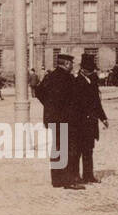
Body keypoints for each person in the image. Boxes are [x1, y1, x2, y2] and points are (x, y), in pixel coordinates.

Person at [36, 53, 83, 189]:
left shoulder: (50, 76)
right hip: (66, 119)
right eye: (71, 64)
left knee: (57, 148)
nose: (72, 66)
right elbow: (74, 100)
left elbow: (38, 91)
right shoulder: (68, 79)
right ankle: (68, 181)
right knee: (68, 149)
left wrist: (49, 106)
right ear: (67, 64)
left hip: (52, 118)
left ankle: (56, 180)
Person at [73, 54, 108, 183]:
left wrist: (103, 118)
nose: (93, 72)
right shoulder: (77, 82)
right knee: (78, 151)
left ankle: (88, 175)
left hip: (91, 122)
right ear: (83, 69)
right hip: (80, 123)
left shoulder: (92, 81)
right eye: (90, 69)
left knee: (88, 149)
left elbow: (96, 103)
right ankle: (76, 176)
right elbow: (76, 105)